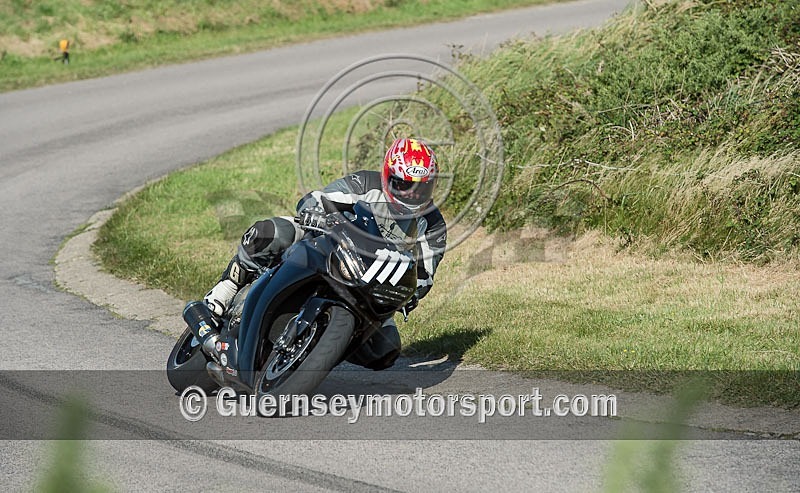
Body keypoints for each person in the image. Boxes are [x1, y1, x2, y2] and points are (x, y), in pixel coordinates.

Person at [203, 138, 447, 370]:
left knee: (385, 349)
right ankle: (227, 288)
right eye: (404, 184)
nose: (412, 195)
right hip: (327, 246)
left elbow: (424, 274)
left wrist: (410, 293)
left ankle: (316, 352)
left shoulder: (433, 225)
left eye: (421, 188)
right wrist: (316, 211)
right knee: (270, 233)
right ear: (387, 176)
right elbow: (320, 198)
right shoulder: (365, 183)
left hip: (372, 285)